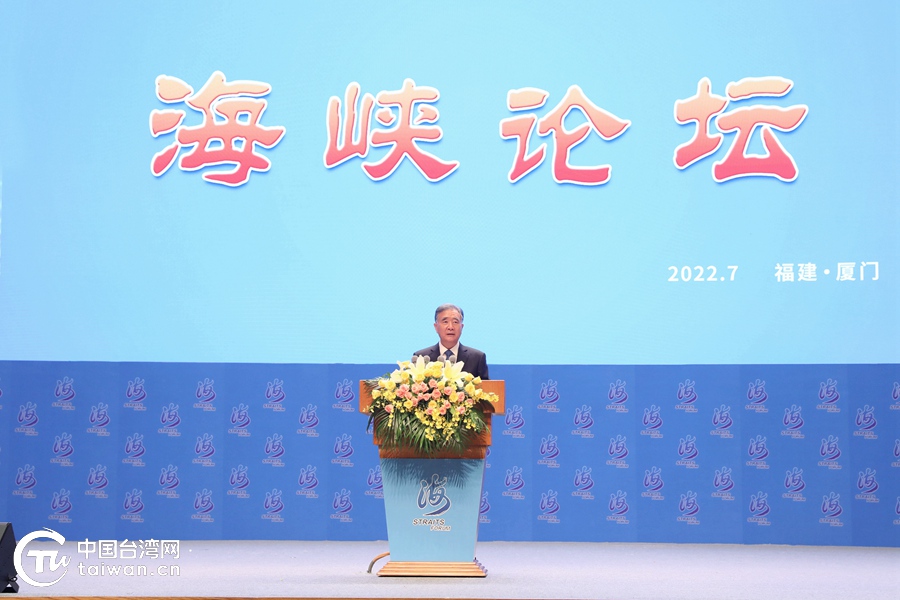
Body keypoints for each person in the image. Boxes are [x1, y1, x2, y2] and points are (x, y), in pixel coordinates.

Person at [413, 303, 490, 380]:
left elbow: (487, 386)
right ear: (436, 327)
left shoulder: (477, 358)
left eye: (455, 322)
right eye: (445, 322)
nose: (450, 327)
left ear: (462, 327)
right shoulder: (421, 357)